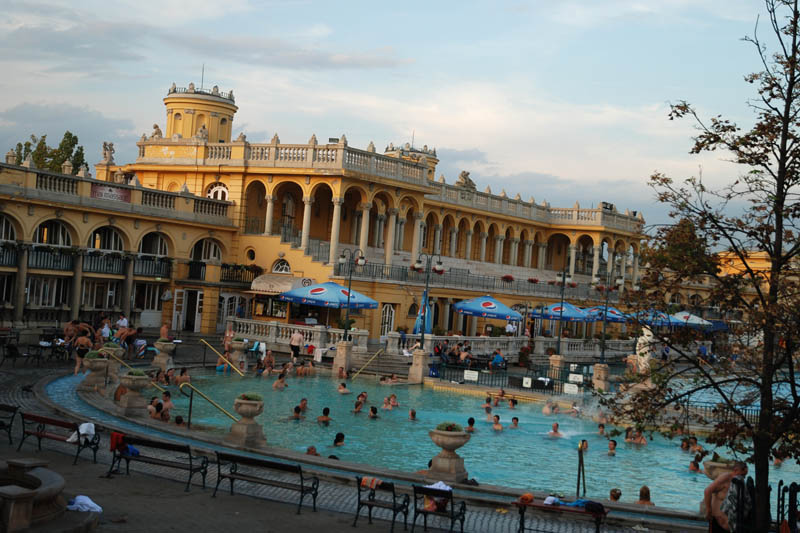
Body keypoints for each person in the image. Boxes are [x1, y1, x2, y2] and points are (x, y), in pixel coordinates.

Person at [703, 462, 749, 532]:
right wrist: (708, 510)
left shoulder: (739, 484)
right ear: (736, 470)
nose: (743, 478)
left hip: (731, 527)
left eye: (744, 476)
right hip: (717, 524)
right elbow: (707, 491)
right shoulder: (725, 478)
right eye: (742, 475)